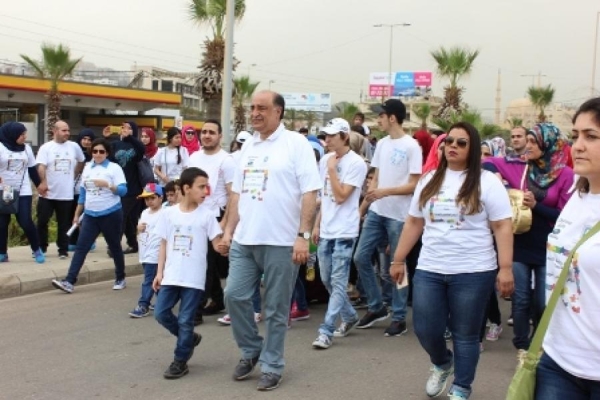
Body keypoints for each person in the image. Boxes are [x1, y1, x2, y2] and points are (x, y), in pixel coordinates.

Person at [391, 122, 514, 400]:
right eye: (449, 141)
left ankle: (461, 388)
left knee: (466, 334)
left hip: (474, 271)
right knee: (425, 328)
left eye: (461, 142)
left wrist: (505, 268)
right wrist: (398, 259)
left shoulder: (487, 182)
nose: (453, 147)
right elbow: (414, 222)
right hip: (430, 268)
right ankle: (442, 363)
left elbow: (502, 226)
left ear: (473, 148)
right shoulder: (429, 180)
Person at [220, 91, 321, 391]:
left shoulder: (296, 144)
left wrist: (303, 237)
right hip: (245, 239)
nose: (255, 113)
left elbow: (310, 193)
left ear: (278, 112)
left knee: (276, 309)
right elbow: (236, 194)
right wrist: (228, 230)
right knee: (234, 296)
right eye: (252, 107)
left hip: (282, 242)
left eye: (262, 108)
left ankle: (272, 364)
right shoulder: (248, 146)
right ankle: (252, 348)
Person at [483, 123, 574, 362]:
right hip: (520, 244)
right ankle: (522, 345)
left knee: (542, 302)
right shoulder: (522, 167)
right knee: (520, 298)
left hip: (548, 247)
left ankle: (539, 342)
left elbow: (564, 217)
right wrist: (499, 179)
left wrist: (537, 206)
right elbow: (488, 162)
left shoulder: (566, 175)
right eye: (528, 141)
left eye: (534, 142)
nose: (527, 146)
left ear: (548, 145)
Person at [535, 97, 600, 400]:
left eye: (591, 136)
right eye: (575, 136)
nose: (578, 146)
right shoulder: (578, 195)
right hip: (558, 360)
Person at [353, 98, 422, 336]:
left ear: (392, 118)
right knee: (360, 257)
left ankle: (399, 316)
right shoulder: (381, 144)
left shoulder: (412, 146)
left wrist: (385, 192)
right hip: (377, 212)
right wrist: (365, 206)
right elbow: (376, 176)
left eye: (381, 115)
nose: (378, 119)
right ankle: (376, 306)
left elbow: (414, 185)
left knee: (397, 265)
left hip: (400, 217)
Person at [152, 167, 222, 379]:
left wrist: (227, 243)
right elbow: (163, 244)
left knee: (185, 320)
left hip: (194, 278)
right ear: (186, 188)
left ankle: (180, 360)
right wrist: (159, 272)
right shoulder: (168, 214)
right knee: (160, 313)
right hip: (171, 275)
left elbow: (217, 244)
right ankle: (189, 338)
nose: (205, 191)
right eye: (201, 187)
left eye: (207, 187)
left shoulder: (207, 216)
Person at [311, 118, 366, 349]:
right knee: (326, 279)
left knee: (338, 281)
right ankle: (350, 315)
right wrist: (317, 225)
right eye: (326, 135)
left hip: (345, 231)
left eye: (332, 135)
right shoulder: (325, 160)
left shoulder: (357, 163)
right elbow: (325, 196)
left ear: (345, 136)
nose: (328, 139)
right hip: (326, 229)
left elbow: (342, 195)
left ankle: (326, 330)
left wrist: (333, 170)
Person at [52, 138, 128, 293]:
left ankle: (120, 277)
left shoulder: (114, 168)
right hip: (90, 215)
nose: (98, 154)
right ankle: (69, 281)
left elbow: (123, 191)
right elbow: (83, 194)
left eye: (101, 151)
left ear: (107, 153)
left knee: (114, 246)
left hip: (111, 213)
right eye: (95, 151)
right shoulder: (87, 168)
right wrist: (76, 215)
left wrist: (108, 185)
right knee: (81, 247)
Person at [188, 119, 236, 320]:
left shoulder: (227, 160)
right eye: (204, 132)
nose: (207, 135)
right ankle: (217, 298)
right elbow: (186, 188)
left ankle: (196, 309)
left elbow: (233, 194)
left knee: (204, 263)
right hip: (194, 215)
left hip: (216, 216)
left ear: (220, 136)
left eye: (212, 132)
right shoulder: (193, 157)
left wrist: (225, 224)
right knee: (204, 261)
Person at [35, 121, 85, 259]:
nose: (67, 133)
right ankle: (41, 247)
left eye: (68, 130)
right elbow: (41, 166)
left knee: (64, 223)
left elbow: (81, 160)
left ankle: (63, 249)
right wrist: (43, 182)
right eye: (64, 130)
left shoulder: (74, 146)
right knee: (42, 221)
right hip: (48, 193)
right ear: (55, 131)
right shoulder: (46, 148)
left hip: (66, 193)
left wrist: (74, 174)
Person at [0, 122, 44, 263]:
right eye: (22, 134)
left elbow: (32, 169)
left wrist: (39, 185)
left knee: (25, 221)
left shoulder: (26, 149)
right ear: (12, 135)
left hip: (23, 189)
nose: (24, 137)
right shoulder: (1, 148)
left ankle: (36, 249)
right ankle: (2, 252)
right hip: (4, 190)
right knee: (2, 223)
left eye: (25, 134)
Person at [109, 121, 145, 255]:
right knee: (128, 218)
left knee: (121, 216)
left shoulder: (136, 145)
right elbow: (108, 157)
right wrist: (106, 138)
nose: (125, 130)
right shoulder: (116, 144)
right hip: (118, 187)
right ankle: (133, 244)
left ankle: (114, 247)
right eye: (123, 127)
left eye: (129, 128)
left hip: (133, 188)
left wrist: (130, 137)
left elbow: (142, 150)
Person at [128, 183, 164, 318]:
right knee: (156, 279)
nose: (149, 201)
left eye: (152, 198)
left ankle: (143, 305)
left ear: (161, 198)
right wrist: (138, 228)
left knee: (148, 280)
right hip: (144, 252)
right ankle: (163, 301)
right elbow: (140, 229)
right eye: (146, 199)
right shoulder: (144, 213)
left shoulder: (164, 213)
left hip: (155, 253)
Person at [69, 128, 95, 250]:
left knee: (86, 218)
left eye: (89, 139)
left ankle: (89, 240)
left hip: (88, 190)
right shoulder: (73, 153)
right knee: (72, 215)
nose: (86, 142)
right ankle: (73, 240)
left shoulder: (95, 154)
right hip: (73, 190)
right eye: (84, 139)